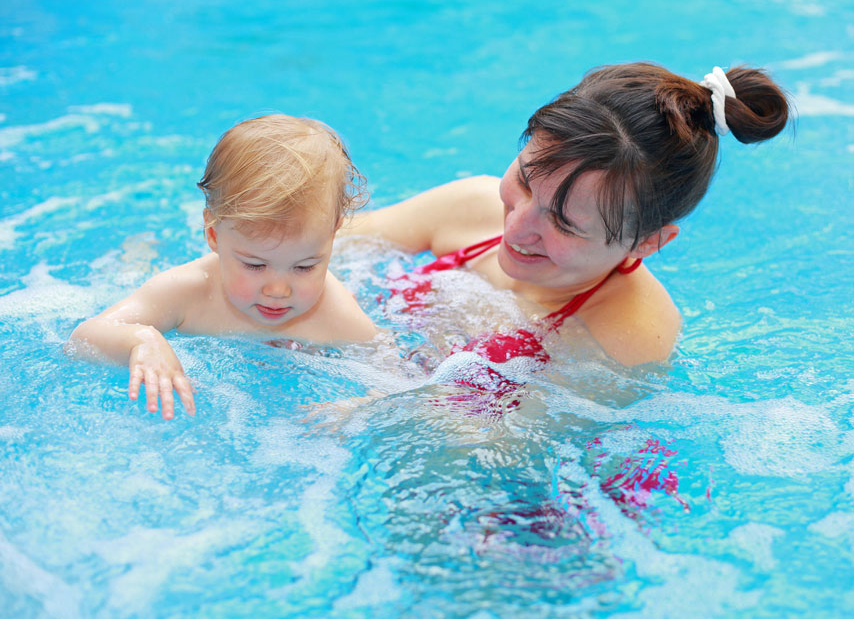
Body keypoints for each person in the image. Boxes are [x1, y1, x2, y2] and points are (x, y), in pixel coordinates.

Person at [341, 62, 789, 368]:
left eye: (564, 223)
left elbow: (480, 449)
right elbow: (321, 246)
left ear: (648, 242)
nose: (515, 227)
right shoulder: (471, 206)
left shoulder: (628, 338)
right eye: (524, 181)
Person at [69, 115, 377, 420]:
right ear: (214, 234)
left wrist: (353, 408)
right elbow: (81, 339)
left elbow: (396, 380)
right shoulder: (188, 291)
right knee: (133, 273)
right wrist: (141, 341)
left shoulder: (336, 313)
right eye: (255, 265)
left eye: (305, 267)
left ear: (333, 234)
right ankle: (139, 252)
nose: (278, 290)